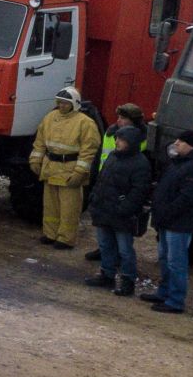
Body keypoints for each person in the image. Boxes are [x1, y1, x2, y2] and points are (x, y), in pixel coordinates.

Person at [144, 129, 193, 313]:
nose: (176, 143)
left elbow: (187, 197)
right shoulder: (178, 163)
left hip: (179, 222)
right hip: (168, 220)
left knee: (176, 261)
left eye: (181, 141)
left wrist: (167, 212)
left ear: (190, 145)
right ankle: (164, 293)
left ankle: (176, 300)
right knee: (165, 258)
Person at [30, 86, 100, 250]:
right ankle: (50, 233)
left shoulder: (85, 123)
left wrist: (80, 172)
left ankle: (66, 239)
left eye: (65, 103)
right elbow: (40, 142)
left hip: (69, 169)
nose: (61, 106)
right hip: (51, 167)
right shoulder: (50, 117)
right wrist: (35, 159)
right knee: (51, 205)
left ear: (74, 104)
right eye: (59, 102)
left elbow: (88, 151)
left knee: (69, 208)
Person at [86, 125, 152, 294]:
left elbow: (139, 191)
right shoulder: (113, 156)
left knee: (125, 250)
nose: (117, 142)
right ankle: (107, 275)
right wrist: (94, 198)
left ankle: (128, 281)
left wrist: (124, 209)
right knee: (105, 245)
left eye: (121, 139)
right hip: (104, 210)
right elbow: (101, 179)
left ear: (131, 142)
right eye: (117, 138)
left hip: (122, 215)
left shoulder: (140, 163)